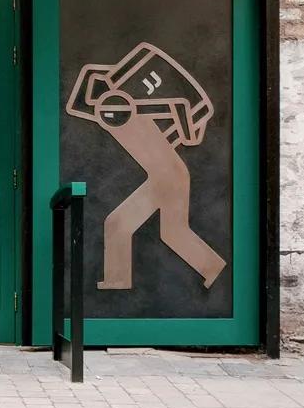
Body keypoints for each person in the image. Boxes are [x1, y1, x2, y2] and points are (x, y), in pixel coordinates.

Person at [66, 43, 226, 290]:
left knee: (135, 226)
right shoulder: (112, 115)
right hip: (165, 177)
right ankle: (119, 280)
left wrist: (154, 108)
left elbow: (185, 123)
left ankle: (211, 267)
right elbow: (80, 102)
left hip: (171, 177)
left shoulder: (132, 112)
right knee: (138, 227)